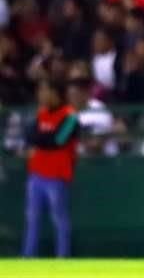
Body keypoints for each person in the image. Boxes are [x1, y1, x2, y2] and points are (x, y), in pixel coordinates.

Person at [22, 79, 79, 258]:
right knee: (32, 218)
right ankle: (28, 257)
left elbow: (58, 140)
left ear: (55, 93)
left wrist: (41, 138)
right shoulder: (41, 113)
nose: (41, 95)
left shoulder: (70, 116)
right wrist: (43, 138)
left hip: (57, 175)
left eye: (44, 91)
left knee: (59, 219)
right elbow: (29, 135)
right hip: (36, 174)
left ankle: (62, 258)